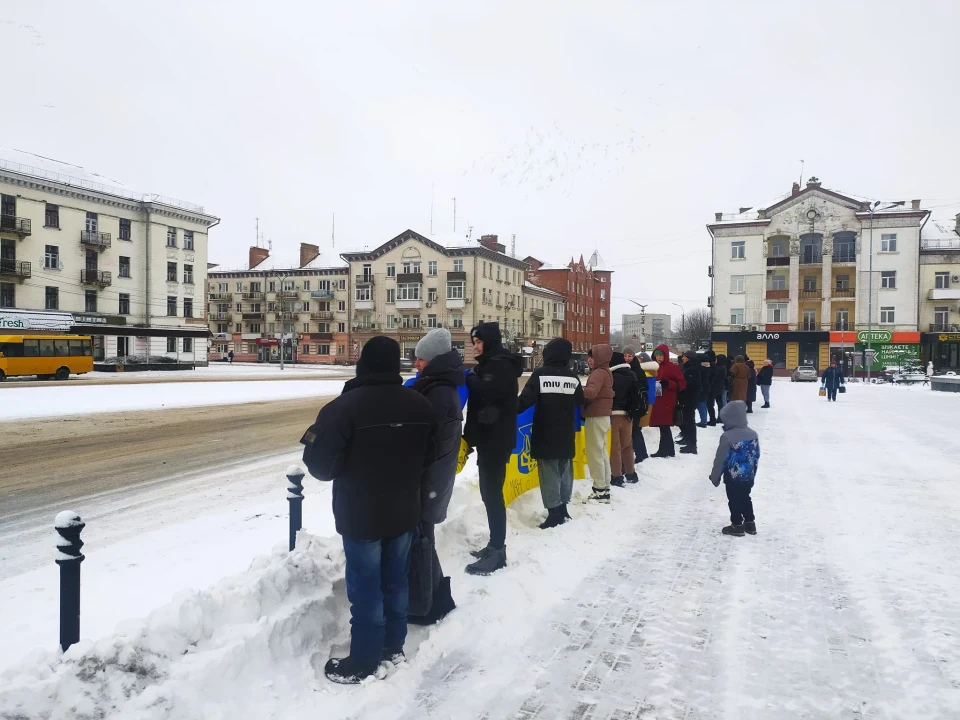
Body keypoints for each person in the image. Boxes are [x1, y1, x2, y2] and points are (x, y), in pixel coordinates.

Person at [300, 336, 438, 683]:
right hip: (405, 510)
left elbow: (321, 467)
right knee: (396, 581)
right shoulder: (420, 405)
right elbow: (431, 456)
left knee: (366, 586)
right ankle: (393, 646)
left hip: (361, 514)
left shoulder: (343, 407)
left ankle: (364, 659)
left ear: (363, 363)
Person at [407, 329, 462, 625]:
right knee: (424, 540)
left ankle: (428, 606)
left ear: (433, 360)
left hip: (428, 480)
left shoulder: (436, 392)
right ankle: (436, 598)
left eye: (420, 359)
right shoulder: (441, 386)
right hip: (434, 480)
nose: (416, 364)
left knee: (422, 543)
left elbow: (425, 441)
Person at [464, 322, 523, 575]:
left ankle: (498, 550)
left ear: (489, 341)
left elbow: (487, 393)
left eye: (478, 342)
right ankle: (494, 545)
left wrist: (470, 377)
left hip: (496, 439)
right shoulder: (491, 364)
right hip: (491, 438)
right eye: (473, 342)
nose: (475, 346)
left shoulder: (499, 365)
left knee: (492, 494)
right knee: (489, 493)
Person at [517, 337, 584, 528]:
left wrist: (505, 406)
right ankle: (563, 508)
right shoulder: (572, 377)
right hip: (566, 431)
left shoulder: (540, 374)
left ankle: (554, 512)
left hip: (546, 432)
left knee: (549, 472)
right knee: (564, 470)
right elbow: (580, 400)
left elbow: (525, 401)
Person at [708, 400, 760, 537]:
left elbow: (721, 459)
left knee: (734, 500)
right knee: (745, 497)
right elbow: (756, 456)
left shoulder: (727, 437)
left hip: (733, 476)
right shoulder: (753, 434)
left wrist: (715, 476)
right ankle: (750, 523)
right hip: (748, 475)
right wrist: (753, 473)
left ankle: (737, 525)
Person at [582, 344, 614, 502]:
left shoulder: (598, 373)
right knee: (601, 453)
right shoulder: (606, 371)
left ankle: (599, 489)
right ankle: (605, 487)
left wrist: (577, 389)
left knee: (595, 454)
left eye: (592, 356)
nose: (589, 360)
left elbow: (592, 392)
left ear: (599, 358)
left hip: (595, 416)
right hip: (604, 416)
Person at [609, 351, 641, 486]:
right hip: (628, 415)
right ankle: (631, 473)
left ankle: (616, 475)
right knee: (627, 445)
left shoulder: (611, 377)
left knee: (615, 447)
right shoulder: (632, 375)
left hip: (614, 414)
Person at [648, 344, 685, 458]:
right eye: (657, 355)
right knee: (662, 426)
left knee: (664, 426)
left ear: (666, 355)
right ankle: (668, 450)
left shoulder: (672, 367)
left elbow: (682, 384)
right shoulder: (653, 367)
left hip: (668, 401)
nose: (659, 358)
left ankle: (665, 450)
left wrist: (668, 383)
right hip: (657, 400)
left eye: (661, 355)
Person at [621, 346, 650, 463]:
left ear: (633, 357)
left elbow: (644, 387)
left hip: (637, 404)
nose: (627, 358)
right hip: (631, 404)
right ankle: (639, 452)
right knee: (634, 430)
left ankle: (641, 453)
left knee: (635, 430)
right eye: (625, 355)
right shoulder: (624, 369)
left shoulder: (637, 370)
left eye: (629, 356)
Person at [677, 351, 701, 455]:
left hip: (689, 399)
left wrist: (681, 384)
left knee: (690, 421)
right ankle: (687, 439)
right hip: (687, 398)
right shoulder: (688, 367)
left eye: (685, 357)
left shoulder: (692, 369)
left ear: (689, 358)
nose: (683, 358)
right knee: (686, 420)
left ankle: (692, 445)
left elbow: (692, 385)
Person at [707, 352, 726, 425]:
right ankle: (720, 418)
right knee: (720, 403)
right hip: (720, 387)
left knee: (710, 404)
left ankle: (713, 419)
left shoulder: (717, 367)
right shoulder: (723, 367)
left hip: (713, 387)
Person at [697, 353, 712, 428]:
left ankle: (703, 421)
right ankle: (704, 420)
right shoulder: (708, 366)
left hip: (702, 387)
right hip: (706, 386)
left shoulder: (701, 368)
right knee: (703, 403)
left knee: (700, 403)